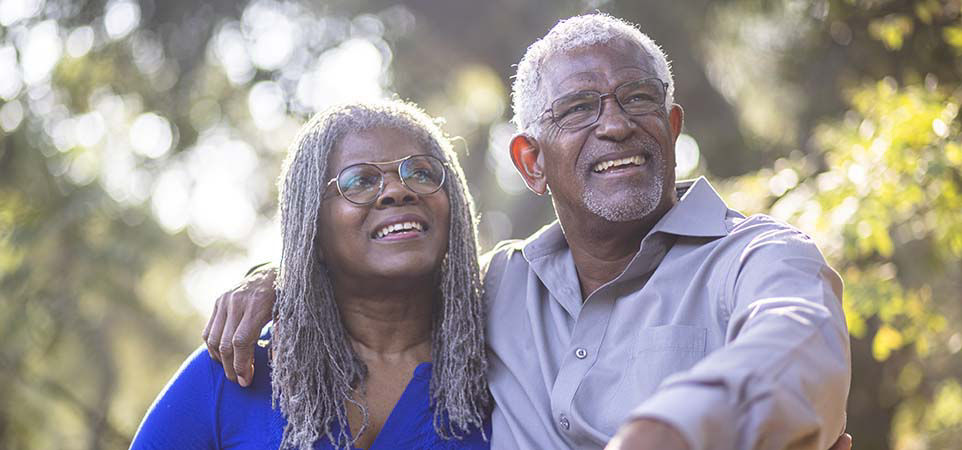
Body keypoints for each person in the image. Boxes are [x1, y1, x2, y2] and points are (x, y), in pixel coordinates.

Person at [203, 14, 853, 450]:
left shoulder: (760, 258)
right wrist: (278, 281)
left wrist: (678, 428)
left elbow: (794, 342)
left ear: (673, 126)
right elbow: (381, 280)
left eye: (638, 99)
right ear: (530, 162)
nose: (617, 123)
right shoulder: (503, 285)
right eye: (578, 108)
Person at [132, 101, 491, 449]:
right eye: (361, 181)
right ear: (311, 226)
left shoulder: (503, 358)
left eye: (421, 173)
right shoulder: (238, 369)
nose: (398, 190)